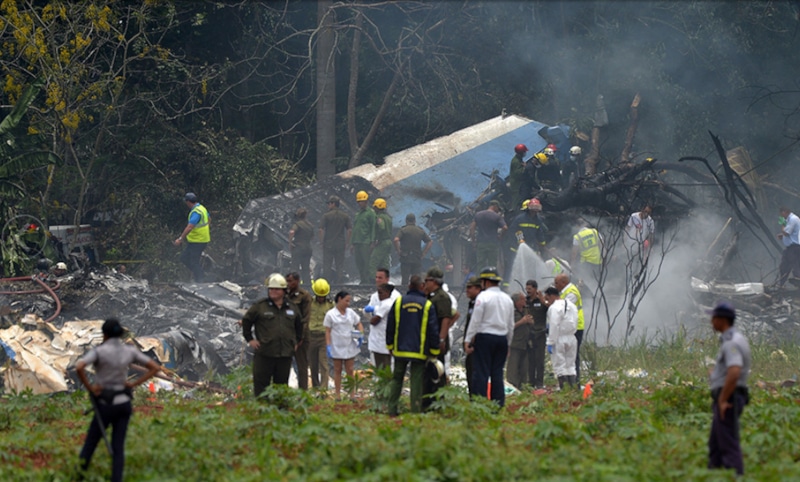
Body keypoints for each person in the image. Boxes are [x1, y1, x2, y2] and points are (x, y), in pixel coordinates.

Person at [75, 318, 160, 482]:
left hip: (105, 404)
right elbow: (155, 368)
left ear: (104, 334)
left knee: (91, 443)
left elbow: (79, 366)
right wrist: (133, 384)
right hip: (123, 403)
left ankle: (78, 477)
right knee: (118, 448)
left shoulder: (99, 351)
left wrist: (91, 388)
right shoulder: (129, 350)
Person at [385, 275, 440, 415]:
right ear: (422, 286)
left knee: (397, 379)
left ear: (409, 286)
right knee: (416, 381)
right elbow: (433, 330)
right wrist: (434, 350)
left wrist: (390, 346)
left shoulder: (398, 302)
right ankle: (415, 411)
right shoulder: (427, 305)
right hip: (419, 350)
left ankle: (392, 409)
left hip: (400, 350)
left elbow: (390, 326)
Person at [241, 273, 303, 397]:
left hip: (284, 355)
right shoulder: (260, 307)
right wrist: (250, 339)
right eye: (271, 289)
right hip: (265, 353)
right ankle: (262, 413)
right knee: (261, 387)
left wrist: (296, 342)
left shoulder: (292, 307)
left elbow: (299, 326)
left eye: (276, 289)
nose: (273, 291)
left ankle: (280, 412)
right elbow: (246, 321)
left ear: (284, 291)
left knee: (281, 388)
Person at [707, 302, 751, 476]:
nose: (711, 322)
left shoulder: (731, 343)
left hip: (730, 398)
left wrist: (723, 399)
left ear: (721, 320)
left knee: (728, 444)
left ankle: (735, 476)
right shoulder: (733, 339)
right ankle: (713, 476)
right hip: (728, 396)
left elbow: (734, 372)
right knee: (716, 444)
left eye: (714, 318)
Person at [464, 267, 515, 407]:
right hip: (502, 339)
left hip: (485, 338)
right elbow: (511, 325)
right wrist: (509, 344)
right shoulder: (507, 299)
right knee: (497, 373)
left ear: (485, 282)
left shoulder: (483, 297)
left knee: (482, 372)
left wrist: (468, 340)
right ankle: (497, 405)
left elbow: (475, 321)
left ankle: (480, 404)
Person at [324, 291, 364, 400]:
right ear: (339, 299)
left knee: (350, 370)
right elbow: (327, 331)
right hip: (336, 345)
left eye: (349, 301)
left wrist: (361, 335)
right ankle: (337, 395)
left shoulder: (351, 313)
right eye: (346, 300)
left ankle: (352, 394)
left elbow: (358, 323)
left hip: (349, 344)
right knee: (337, 370)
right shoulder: (330, 314)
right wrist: (328, 345)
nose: (348, 303)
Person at [365, 268, 401, 371]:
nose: (377, 280)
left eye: (380, 278)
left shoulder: (395, 296)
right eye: (376, 277)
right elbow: (368, 314)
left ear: (387, 279)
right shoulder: (375, 296)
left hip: (389, 337)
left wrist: (375, 310)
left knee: (389, 370)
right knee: (376, 370)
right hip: (375, 338)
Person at [544, 286, 578, 389]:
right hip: (572, 337)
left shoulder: (554, 307)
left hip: (559, 338)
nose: (547, 301)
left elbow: (554, 325)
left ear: (552, 296)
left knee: (560, 367)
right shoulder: (572, 305)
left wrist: (550, 342)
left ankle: (565, 391)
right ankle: (574, 390)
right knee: (571, 366)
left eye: (547, 298)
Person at [555, 273, 585, 384]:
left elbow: (562, 308)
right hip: (569, 328)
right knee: (567, 355)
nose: (555, 285)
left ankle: (575, 383)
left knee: (573, 356)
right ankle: (569, 382)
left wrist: (548, 302)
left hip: (576, 327)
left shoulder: (572, 292)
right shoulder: (565, 292)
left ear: (564, 282)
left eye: (557, 283)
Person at [173, 192, 210, 282]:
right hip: (198, 240)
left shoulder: (196, 212)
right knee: (184, 258)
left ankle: (200, 280)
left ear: (189, 202)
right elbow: (209, 219)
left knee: (194, 262)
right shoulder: (202, 208)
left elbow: (190, 227)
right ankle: (200, 275)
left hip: (198, 241)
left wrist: (180, 239)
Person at [286, 272, 312, 390]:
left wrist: (300, 337)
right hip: (287, 334)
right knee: (284, 364)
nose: (288, 284)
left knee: (302, 365)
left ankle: (303, 391)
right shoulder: (285, 295)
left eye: (290, 281)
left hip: (300, 336)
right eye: (287, 281)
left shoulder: (304, 296)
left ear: (297, 281)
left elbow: (306, 318)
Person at [319, 196, 352, 284]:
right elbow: (349, 230)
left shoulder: (326, 216)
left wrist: (321, 242)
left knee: (327, 264)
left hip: (328, 244)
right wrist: (347, 242)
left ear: (333, 204)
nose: (328, 205)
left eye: (329, 203)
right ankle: (339, 282)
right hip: (340, 244)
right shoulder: (345, 216)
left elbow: (321, 230)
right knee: (339, 265)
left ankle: (327, 283)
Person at [393, 213, 433, 287]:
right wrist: (424, 253)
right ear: (414, 221)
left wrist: (398, 251)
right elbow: (430, 241)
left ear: (406, 221)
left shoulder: (403, 230)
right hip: (417, 258)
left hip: (405, 258)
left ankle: (405, 294)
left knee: (405, 280)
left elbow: (396, 240)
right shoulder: (420, 231)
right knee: (416, 280)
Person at [308, 279, 334, 389]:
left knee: (323, 363)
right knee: (313, 364)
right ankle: (315, 387)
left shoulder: (330, 305)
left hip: (324, 337)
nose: (321, 298)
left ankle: (323, 389)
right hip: (311, 337)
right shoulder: (309, 303)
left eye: (322, 296)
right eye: (319, 296)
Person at [469, 200, 507, 271]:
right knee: (492, 265)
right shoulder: (497, 217)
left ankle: (480, 281)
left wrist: (473, 241)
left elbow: (472, 229)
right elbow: (505, 228)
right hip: (493, 243)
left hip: (481, 243)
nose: (498, 211)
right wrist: (500, 236)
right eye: (498, 209)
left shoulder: (478, 214)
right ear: (495, 206)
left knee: (480, 264)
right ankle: (491, 280)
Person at [506, 292, 533, 389]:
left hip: (525, 343)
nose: (525, 301)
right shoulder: (510, 311)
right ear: (517, 301)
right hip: (515, 343)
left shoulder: (526, 310)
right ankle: (512, 387)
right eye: (522, 299)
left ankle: (523, 387)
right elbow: (508, 327)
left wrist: (530, 321)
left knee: (524, 368)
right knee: (513, 367)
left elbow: (531, 321)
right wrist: (522, 321)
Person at [525, 280, 549, 388]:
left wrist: (543, 300)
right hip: (529, 334)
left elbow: (551, 309)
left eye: (530, 289)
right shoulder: (525, 301)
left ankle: (539, 383)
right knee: (530, 360)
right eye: (527, 289)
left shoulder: (542, 301)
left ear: (535, 289)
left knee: (539, 359)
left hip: (540, 333)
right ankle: (531, 382)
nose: (528, 291)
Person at [462, 276, 482, 396]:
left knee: (476, 373)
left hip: (477, 345)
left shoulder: (480, 303)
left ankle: (477, 398)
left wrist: (472, 340)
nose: (467, 290)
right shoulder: (472, 303)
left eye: (470, 287)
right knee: (470, 371)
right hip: (471, 344)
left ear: (478, 288)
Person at [351, 191, 376, 285]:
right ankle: (363, 279)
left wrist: (372, 242)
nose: (360, 203)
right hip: (357, 241)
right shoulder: (358, 214)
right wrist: (352, 243)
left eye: (361, 201)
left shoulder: (371, 213)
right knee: (359, 262)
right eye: (359, 201)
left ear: (366, 201)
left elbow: (373, 227)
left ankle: (367, 280)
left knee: (366, 262)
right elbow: (355, 229)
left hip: (366, 242)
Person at [571, 224, 603, 290]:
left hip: (586, 262)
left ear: (577, 227)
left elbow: (574, 253)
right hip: (598, 261)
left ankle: (589, 294)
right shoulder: (594, 231)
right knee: (597, 280)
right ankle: (598, 292)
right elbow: (602, 245)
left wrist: (572, 265)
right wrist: (604, 257)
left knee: (585, 280)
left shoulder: (577, 236)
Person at [288, 208, 314, 287]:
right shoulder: (310, 225)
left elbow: (292, 232)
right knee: (306, 269)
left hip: (298, 248)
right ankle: (307, 286)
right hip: (308, 248)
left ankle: (293, 285)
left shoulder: (297, 224)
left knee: (295, 268)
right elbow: (312, 236)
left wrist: (290, 242)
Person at [776, 206, 800, 287]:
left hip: (795, 248)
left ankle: (798, 284)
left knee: (796, 266)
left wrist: (782, 224)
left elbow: (786, 232)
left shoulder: (793, 219)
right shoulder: (789, 220)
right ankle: (781, 285)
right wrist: (782, 236)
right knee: (784, 267)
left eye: (781, 215)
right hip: (789, 249)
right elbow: (791, 234)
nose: (781, 217)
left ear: (785, 212)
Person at [369, 198, 393, 275]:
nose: (374, 208)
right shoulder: (388, 218)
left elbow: (381, 227)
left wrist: (377, 239)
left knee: (373, 261)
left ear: (378, 207)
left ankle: (372, 281)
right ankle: (384, 279)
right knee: (385, 263)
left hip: (382, 242)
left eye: (375, 207)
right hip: (388, 242)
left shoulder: (379, 217)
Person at [508, 143, 528, 208]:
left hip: (516, 183)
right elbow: (518, 173)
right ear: (521, 152)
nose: (525, 153)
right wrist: (525, 167)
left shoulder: (518, 159)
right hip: (516, 184)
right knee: (516, 199)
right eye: (524, 152)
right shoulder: (516, 161)